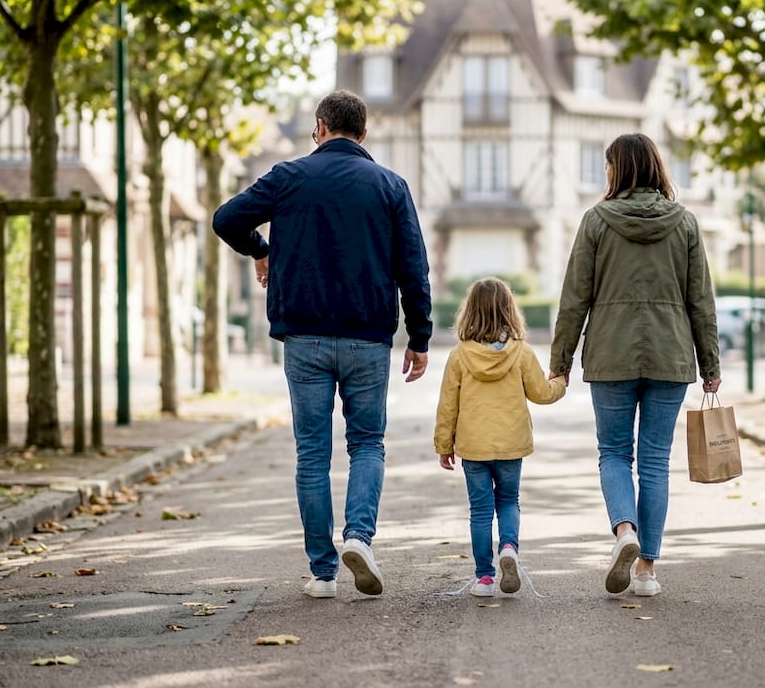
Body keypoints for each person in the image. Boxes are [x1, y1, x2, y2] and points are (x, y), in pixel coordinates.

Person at [212, 90, 433, 599]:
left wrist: (261, 249)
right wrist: (419, 336)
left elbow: (227, 219)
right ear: (363, 133)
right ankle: (359, 537)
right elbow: (413, 267)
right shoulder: (390, 186)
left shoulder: (288, 178)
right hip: (367, 338)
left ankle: (322, 572)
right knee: (367, 444)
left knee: (312, 453)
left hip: (304, 336)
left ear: (319, 128)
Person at [549, 133, 721, 598]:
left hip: (610, 354)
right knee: (655, 463)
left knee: (612, 453)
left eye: (608, 165)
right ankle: (646, 570)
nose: (605, 173)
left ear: (617, 169)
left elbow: (574, 298)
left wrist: (560, 361)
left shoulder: (596, 222)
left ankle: (624, 531)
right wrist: (710, 363)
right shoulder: (684, 223)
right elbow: (700, 300)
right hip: (670, 355)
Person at [434, 278, 567, 597]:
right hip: (511, 444)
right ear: (510, 311)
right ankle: (509, 547)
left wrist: (443, 445)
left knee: (480, 510)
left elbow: (447, 404)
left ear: (469, 313)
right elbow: (541, 393)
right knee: (508, 500)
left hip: (473, 446)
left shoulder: (459, 355)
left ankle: (484, 578)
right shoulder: (521, 353)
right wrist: (560, 382)